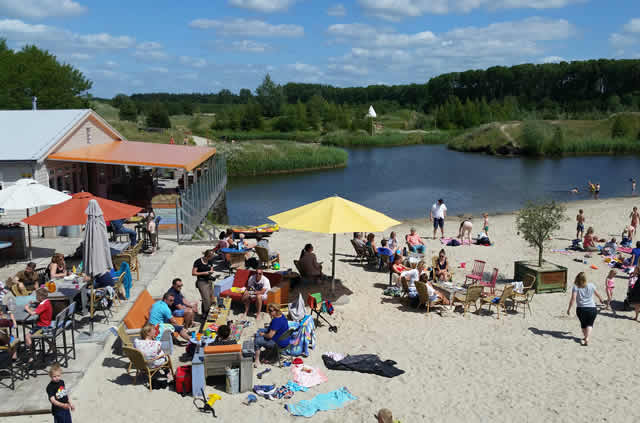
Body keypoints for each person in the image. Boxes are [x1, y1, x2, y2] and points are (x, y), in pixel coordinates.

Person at [566, 272, 604, 346]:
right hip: (592, 309)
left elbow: (573, 299)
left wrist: (569, 309)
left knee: (583, 325)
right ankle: (587, 338)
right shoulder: (591, 285)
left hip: (581, 309)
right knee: (590, 324)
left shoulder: (576, 287)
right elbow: (597, 294)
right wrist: (601, 299)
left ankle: (585, 336)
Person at [192, 249, 216, 316]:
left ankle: (204, 313)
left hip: (209, 280)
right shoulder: (198, 262)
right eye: (212, 256)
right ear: (208, 256)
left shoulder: (210, 261)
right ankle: (207, 313)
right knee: (206, 299)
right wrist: (204, 273)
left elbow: (211, 268)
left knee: (210, 297)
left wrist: (211, 271)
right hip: (201, 281)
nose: (212, 258)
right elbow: (193, 273)